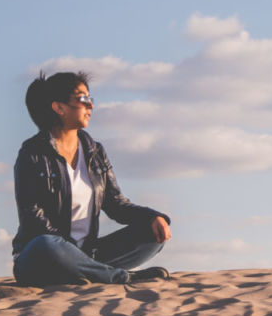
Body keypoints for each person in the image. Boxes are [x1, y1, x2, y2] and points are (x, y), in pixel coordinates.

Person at [11, 71, 172, 286]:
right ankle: (119, 277)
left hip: (89, 255)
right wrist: (68, 249)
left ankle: (87, 272)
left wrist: (152, 217)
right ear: (59, 107)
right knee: (46, 245)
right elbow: (32, 214)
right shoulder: (33, 153)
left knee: (152, 235)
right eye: (83, 99)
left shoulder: (94, 152)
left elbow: (116, 205)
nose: (91, 105)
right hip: (44, 257)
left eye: (90, 98)